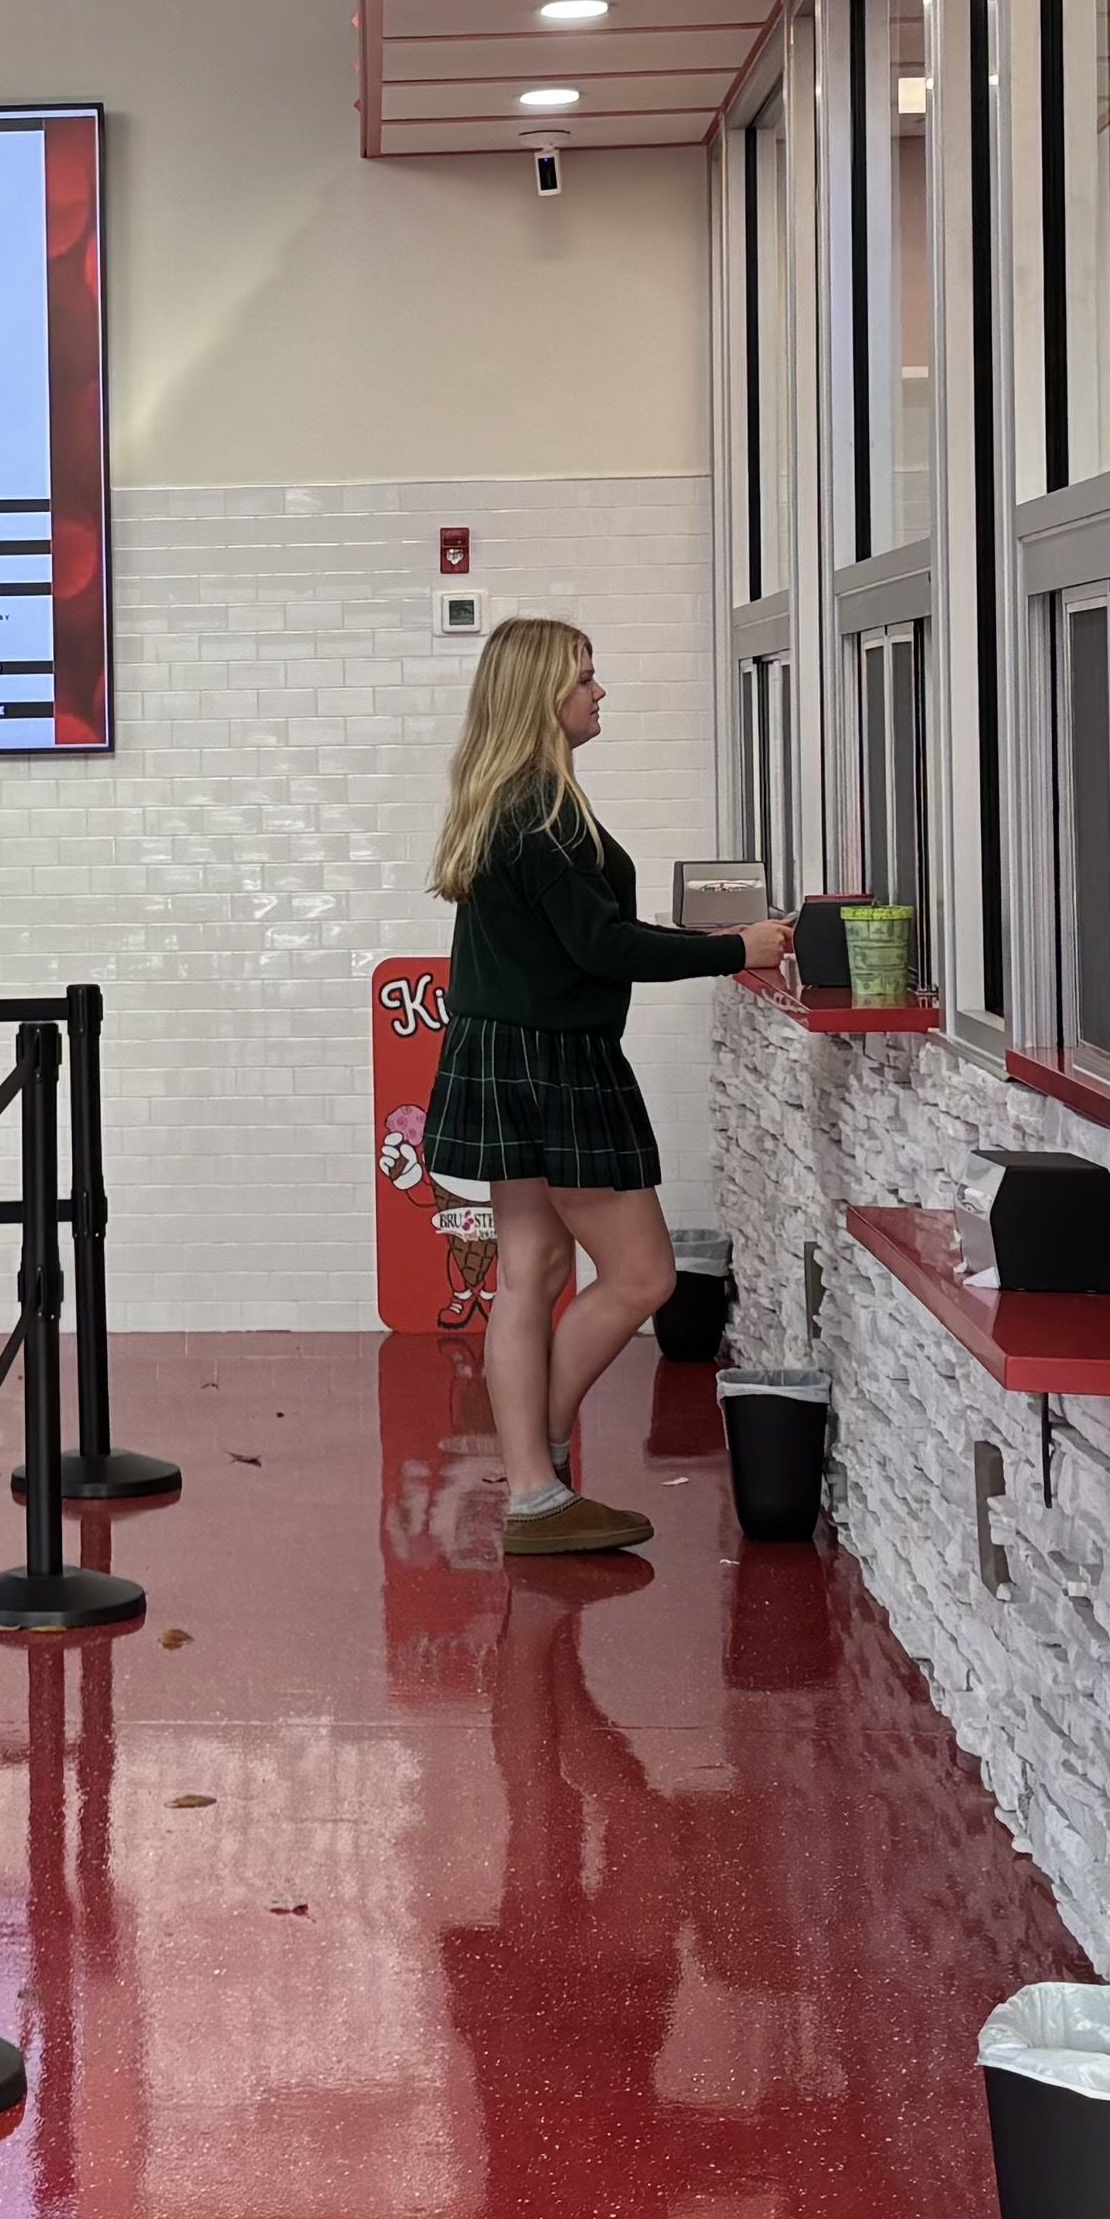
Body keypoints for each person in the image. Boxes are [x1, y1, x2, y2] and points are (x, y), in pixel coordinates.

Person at [423, 618, 751, 1559]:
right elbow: (600, 945)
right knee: (643, 1273)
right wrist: (736, 948)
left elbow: (580, 929)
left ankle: (534, 1480)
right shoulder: (545, 810)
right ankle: (537, 1467)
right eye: (585, 680)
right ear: (542, 698)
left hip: (504, 1048)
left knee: (534, 1274)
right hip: (554, 1060)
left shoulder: (506, 800)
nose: (599, 694)